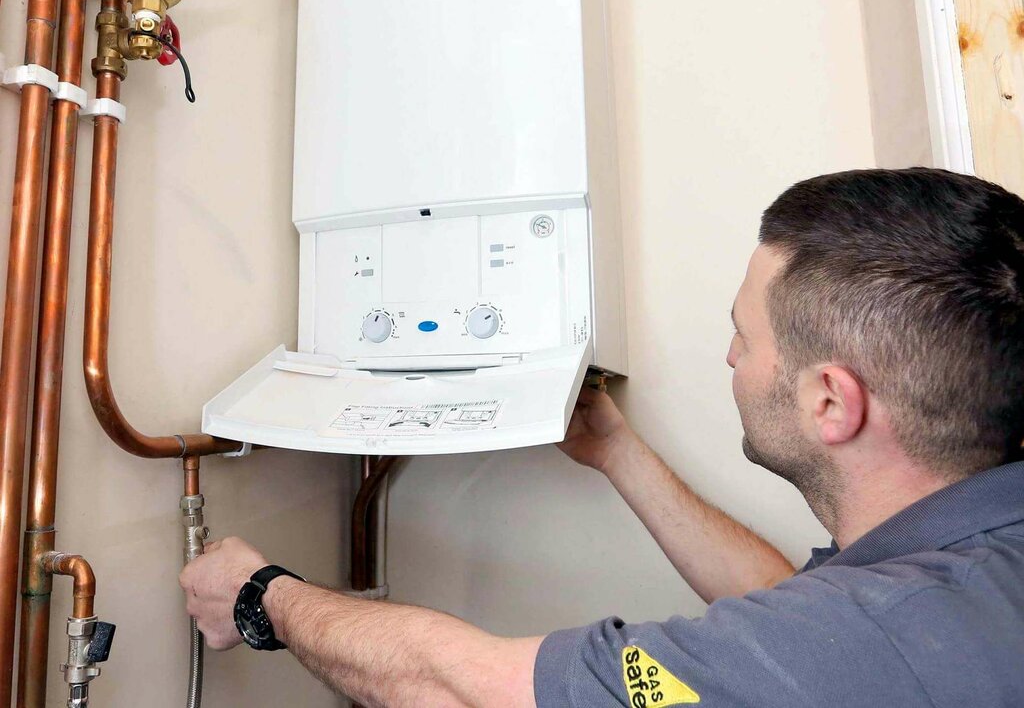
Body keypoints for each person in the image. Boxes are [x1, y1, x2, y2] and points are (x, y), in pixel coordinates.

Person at [181, 168, 1024, 707]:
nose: (731, 357)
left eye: (746, 336)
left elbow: (464, 691)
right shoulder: (954, 578)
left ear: (831, 402)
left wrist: (261, 595)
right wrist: (617, 452)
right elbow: (787, 611)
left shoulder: (870, 636)